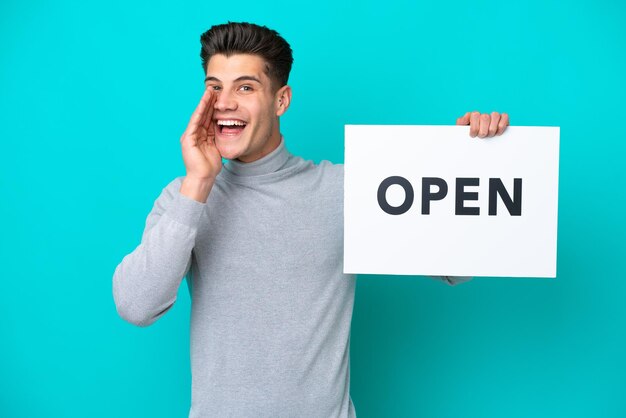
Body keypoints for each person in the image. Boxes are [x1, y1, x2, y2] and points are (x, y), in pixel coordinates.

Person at [112, 22, 509, 418]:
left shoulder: (343, 191)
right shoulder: (185, 197)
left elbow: (455, 269)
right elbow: (136, 305)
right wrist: (199, 182)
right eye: (215, 87)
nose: (225, 102)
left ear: (281, 100)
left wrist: (471, 163)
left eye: (245, 87)